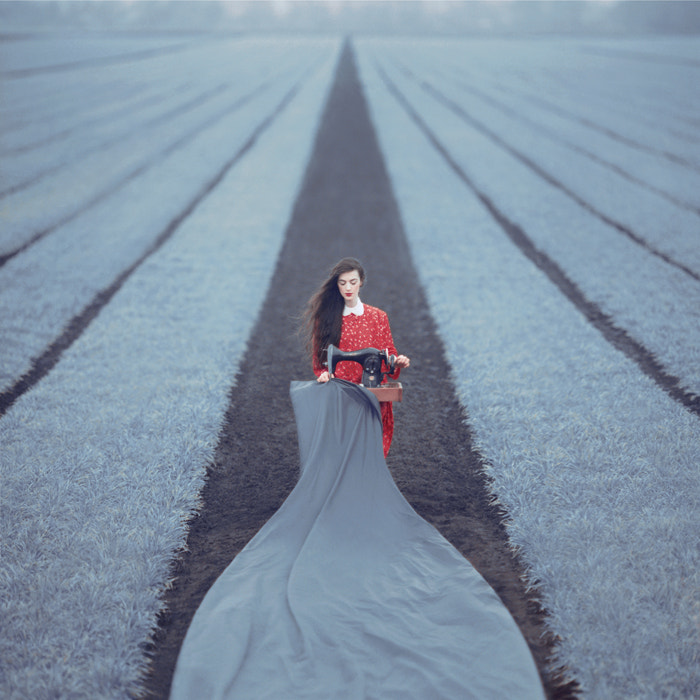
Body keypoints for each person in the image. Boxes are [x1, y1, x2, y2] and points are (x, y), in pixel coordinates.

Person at [303, 257, 410, 457]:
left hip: (372, 398)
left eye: (352, 282)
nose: (348, 287)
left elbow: (389, 357)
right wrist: (325, 374)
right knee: (343, 453)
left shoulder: (378, 317)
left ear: (361, 281)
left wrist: (398, 363)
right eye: (342, 283)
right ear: (337, 285)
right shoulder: (325, 319)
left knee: (369, 453)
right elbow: (320, 360)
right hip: (342, 398)